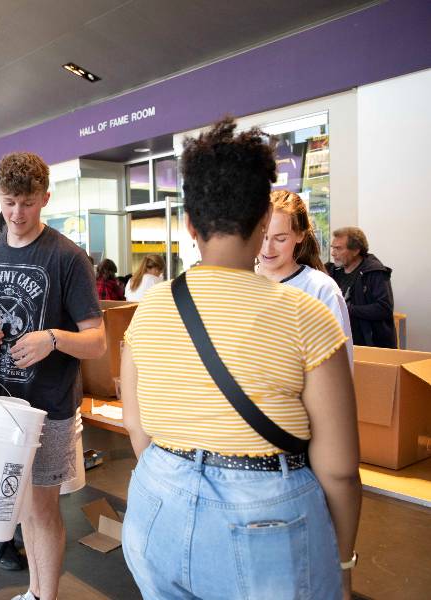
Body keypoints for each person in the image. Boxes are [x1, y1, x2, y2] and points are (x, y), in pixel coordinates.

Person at [120, 118, 360, 600]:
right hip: (266, 523)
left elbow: (138, 429)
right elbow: (338, 469)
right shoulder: (307, 316)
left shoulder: (149, 310)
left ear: (189, 224)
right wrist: (343, 557)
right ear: (260, 222)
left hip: (155, 505)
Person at [0, 152, 106, 600]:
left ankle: (46, 596)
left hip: (50, 406)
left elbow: (98, 341)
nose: (17, 214)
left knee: (41, 507)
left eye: (26, 204)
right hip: (3, 402)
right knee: (20, 501)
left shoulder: (68, 258)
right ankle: (35, 592)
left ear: (45, 198)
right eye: (8, 203)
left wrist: (53, 339)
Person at [258, 190, 353, 365]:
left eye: (280, 239)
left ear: (300, 235)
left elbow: (339, 370)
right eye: (262, 236)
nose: (267, 249)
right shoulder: (238, 283)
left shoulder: (321, 290)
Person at [327, 226, 396, 348]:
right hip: (339, 344)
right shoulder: (331, 271)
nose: (333, 253)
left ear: (356, 250)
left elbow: (384, 308)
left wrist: (346, 309)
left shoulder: (375, 272)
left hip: (370, 346)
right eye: (333, 248)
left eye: (338, 248)